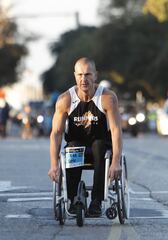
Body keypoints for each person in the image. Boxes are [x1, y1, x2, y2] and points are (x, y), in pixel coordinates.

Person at [48, 57, 123, 217]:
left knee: (99, 146)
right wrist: (54, 165)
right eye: (80, 74)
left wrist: (116, 162)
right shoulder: (65, 100)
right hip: (76, 143)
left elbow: (116, 130)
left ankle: (96, 201)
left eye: (88, 74)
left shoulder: (107, 98)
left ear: (95, 75)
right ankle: (74, 198)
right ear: (75, 76)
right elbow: (56, 133)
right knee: (73, 148)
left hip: (100, 143)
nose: (84, 79)